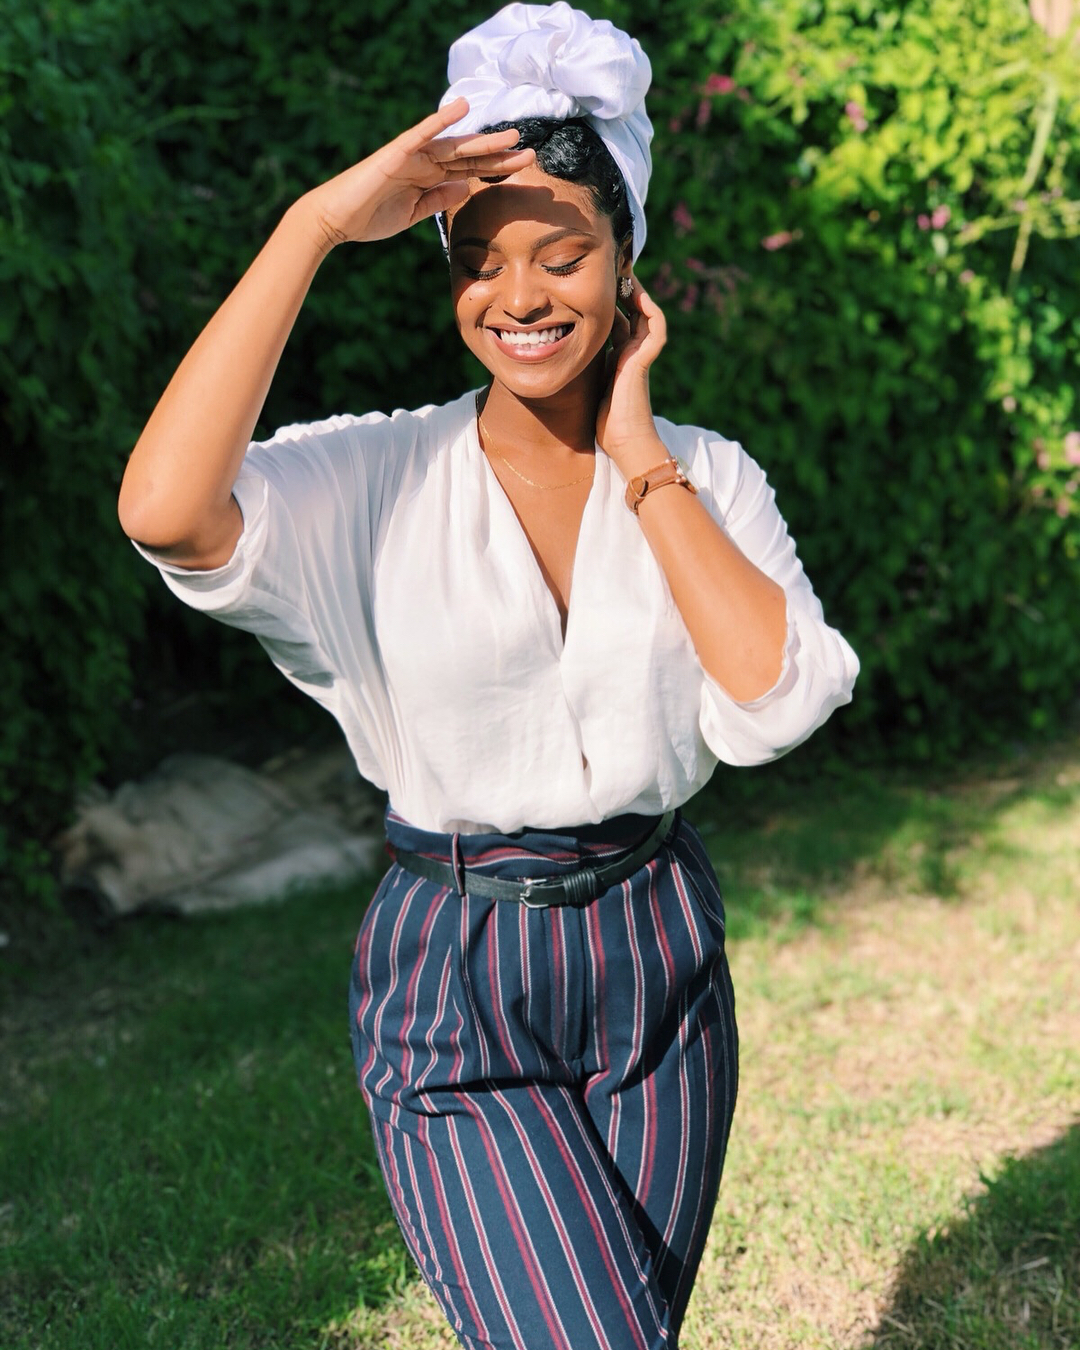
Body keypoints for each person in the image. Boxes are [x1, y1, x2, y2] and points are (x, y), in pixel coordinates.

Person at [118, 4, 859, 1345]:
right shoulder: (372, 476)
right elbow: (167, 513)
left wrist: (642, 458)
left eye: (563, 256)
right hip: (458, 966)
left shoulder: (708, 476)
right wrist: (312, 227)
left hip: (661, 953)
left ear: (627, 260)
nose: (520, 298)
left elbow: (778, 697)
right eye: (479, 263)